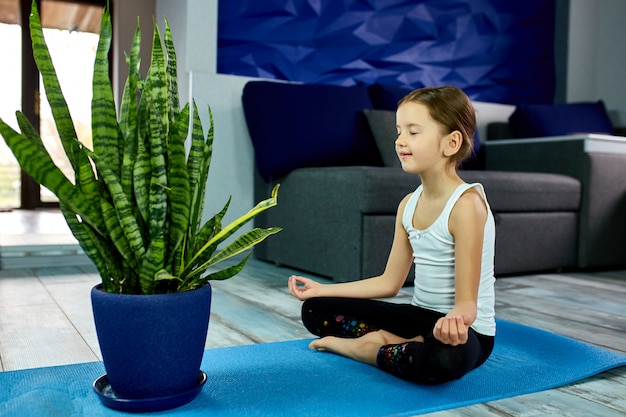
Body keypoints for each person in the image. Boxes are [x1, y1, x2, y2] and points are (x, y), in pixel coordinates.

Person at [287, 86, 496, 384]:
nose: (400, 141)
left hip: (464, 330)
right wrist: (321, 290)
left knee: (443, 360)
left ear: (451, 143)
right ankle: (395, 343)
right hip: (419, 316)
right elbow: (389, 283)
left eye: (413, 132)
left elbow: (467, 303)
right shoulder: (407, 205)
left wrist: (454, 322)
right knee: (315, 311)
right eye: (399, 132)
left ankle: (368, 350)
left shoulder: (467, 205)